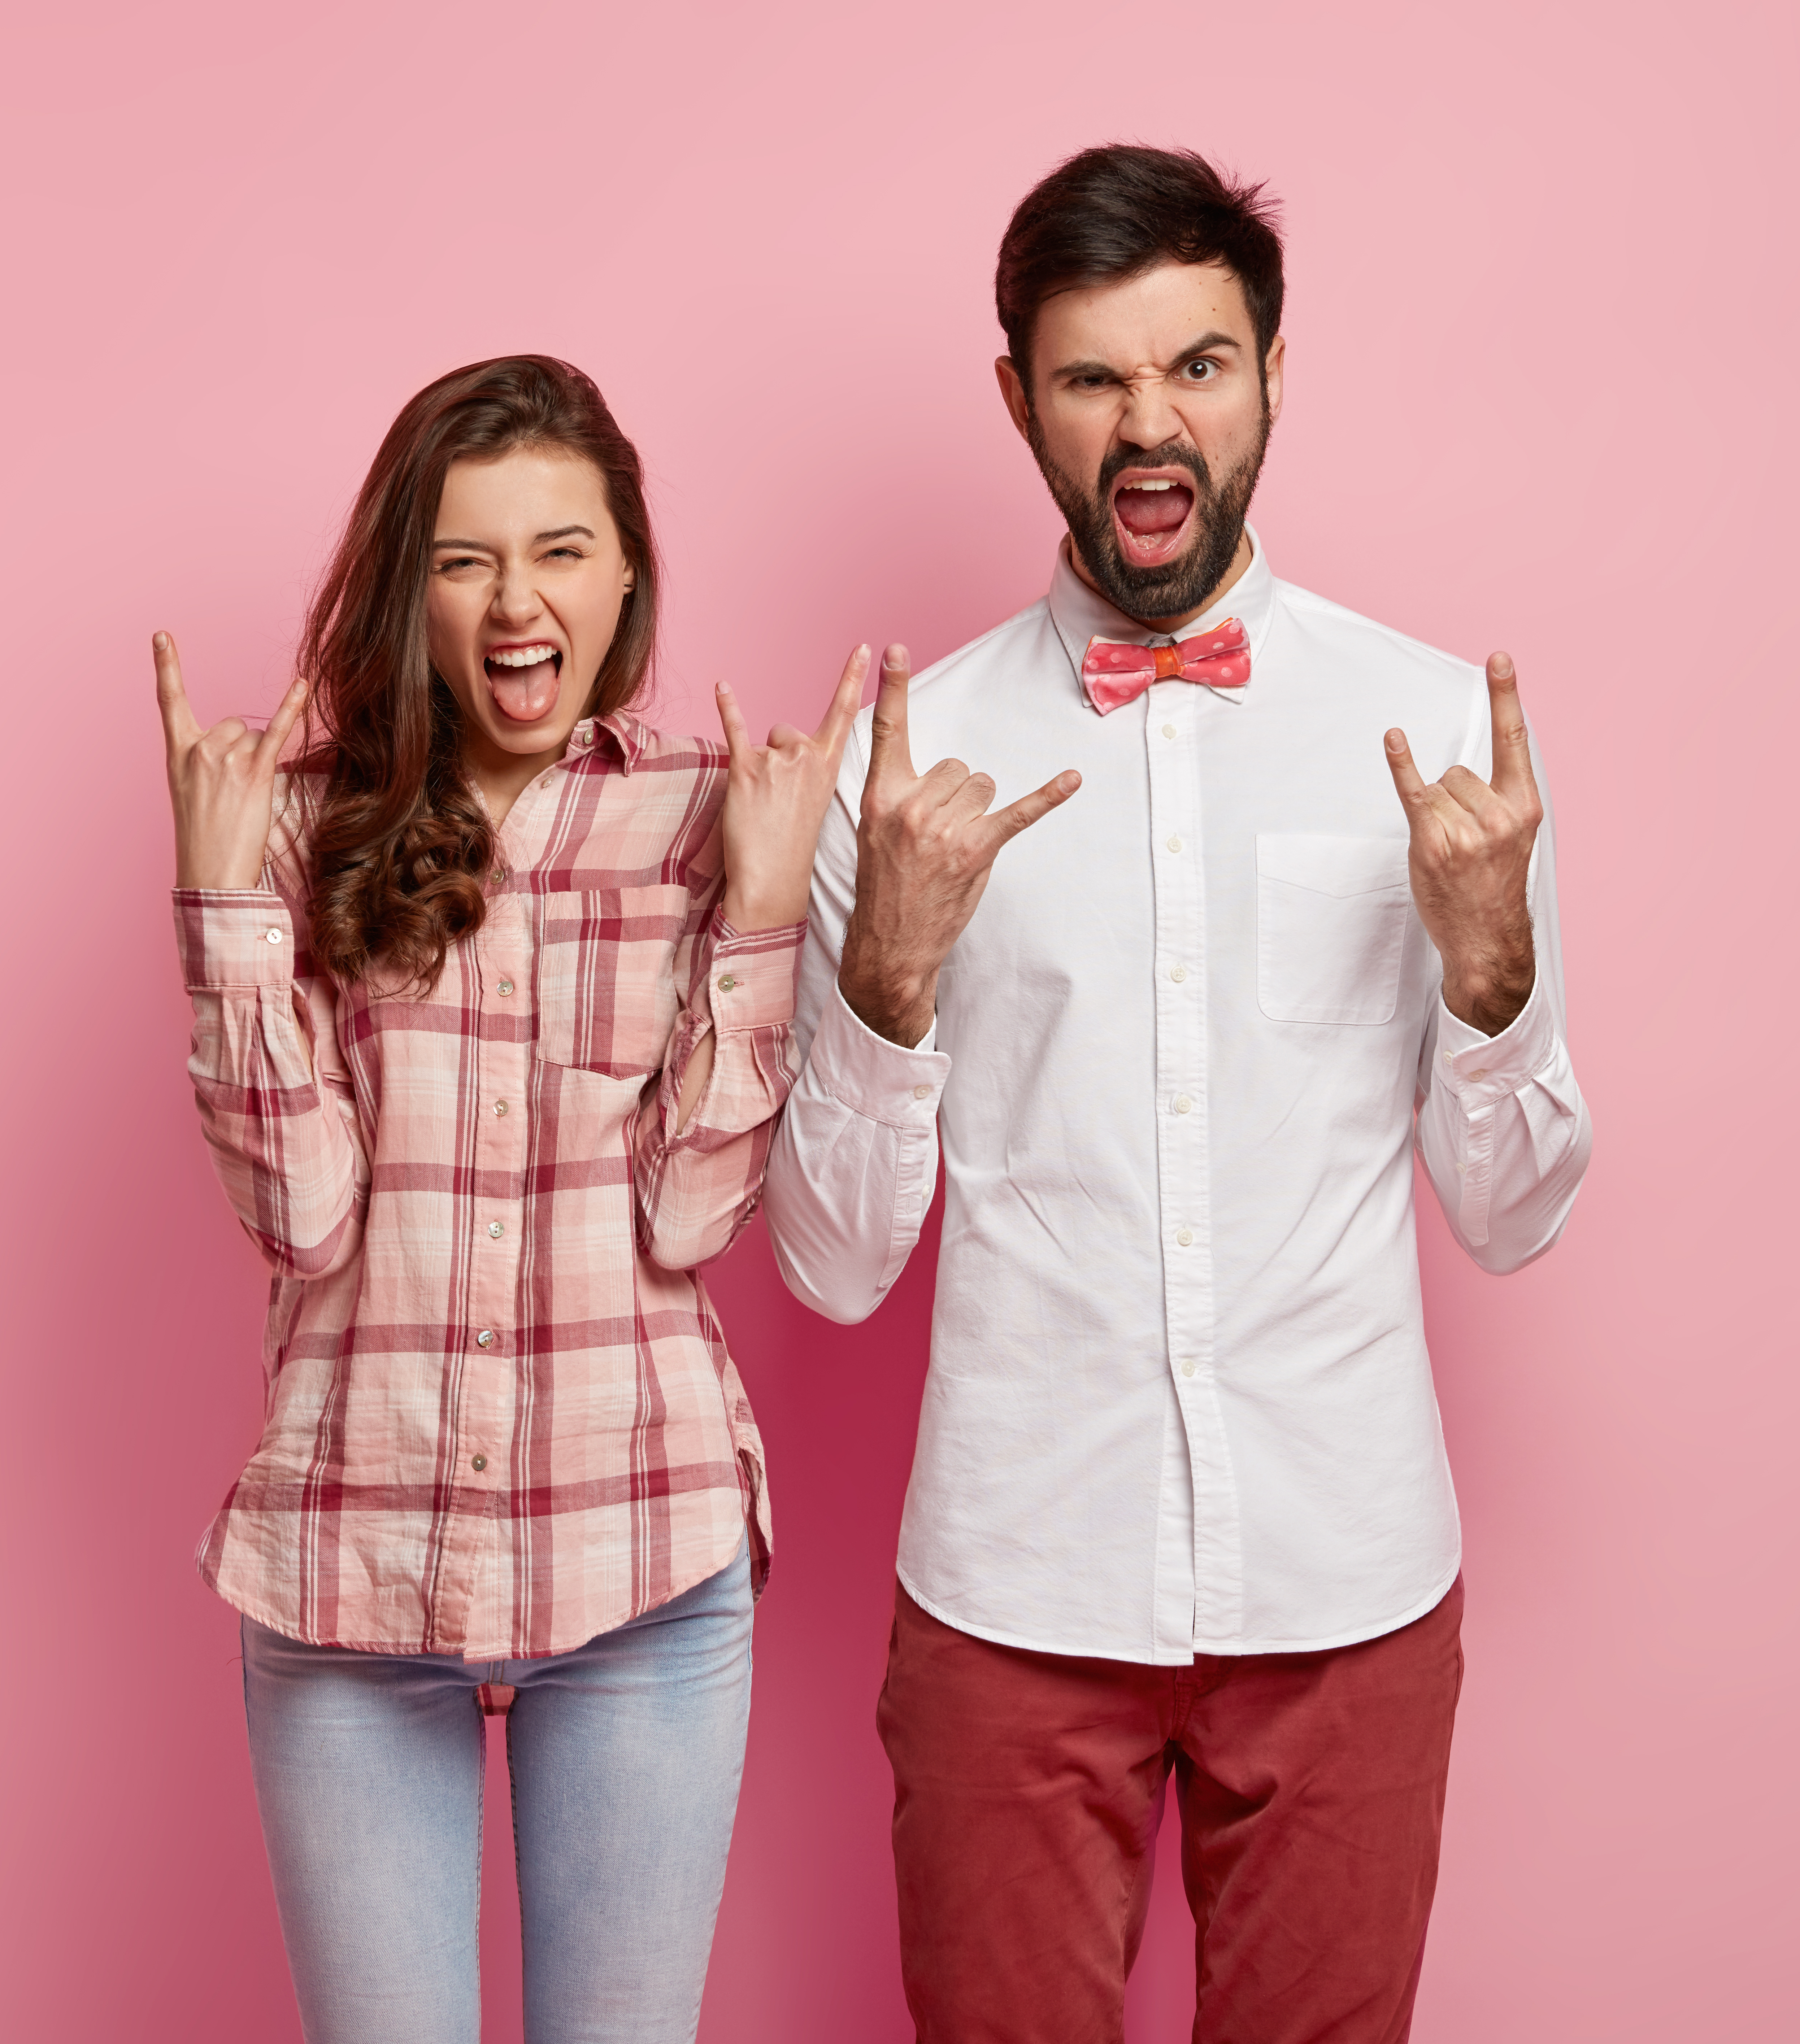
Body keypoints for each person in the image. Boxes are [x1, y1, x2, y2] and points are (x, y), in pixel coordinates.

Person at [763, 148, 1594, 2042]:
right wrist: (884, 973)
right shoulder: (908, 768)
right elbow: (828, 1268)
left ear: (1275, 376)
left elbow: (1516, 1213)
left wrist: (1495, 975)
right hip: (1013, 1580)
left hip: (1349, 1577)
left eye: (1200, 367)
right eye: (1094, 378)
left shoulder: (1453, 740)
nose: (1153, 426)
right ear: (1018, 401)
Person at [153, 354, 858, 2044]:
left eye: (561, 548)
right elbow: (303, 1218)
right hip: (351, 1558)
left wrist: (762, 916)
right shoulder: (301, 823)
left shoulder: (708, 816)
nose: (516, 601)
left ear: (625, 576)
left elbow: (694, 1219)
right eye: (466, 559)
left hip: (638, 1555)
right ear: (414, 588)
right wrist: (223, 901)